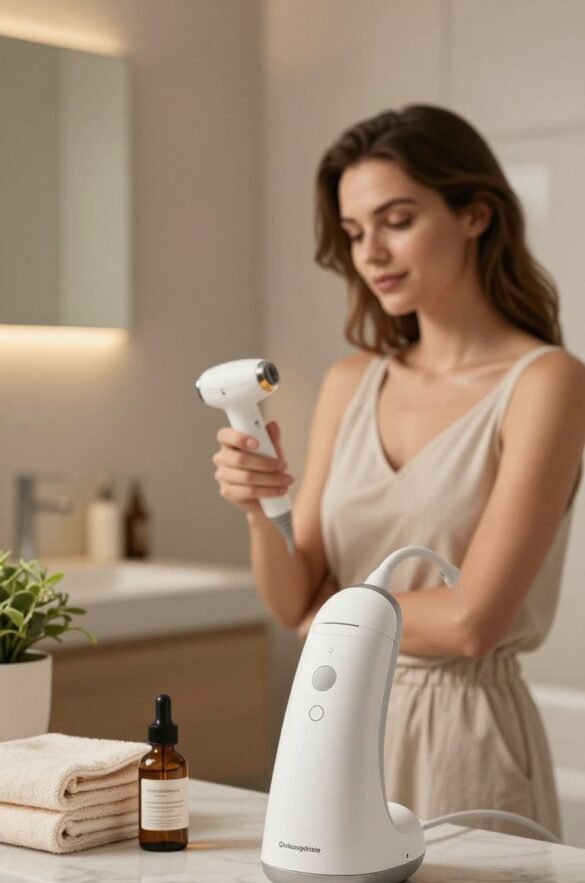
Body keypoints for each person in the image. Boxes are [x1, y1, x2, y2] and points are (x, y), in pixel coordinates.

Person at [211, 104, 585, 839]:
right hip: (332, 721)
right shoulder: (353, 382)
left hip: (464, 736)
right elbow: (292, 600)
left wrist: (332, 616)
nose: (369, 252)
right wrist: (259, 510)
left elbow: (474, 622)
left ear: (474, 214)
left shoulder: (546, 384)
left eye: (396, 220)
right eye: (353, 233)